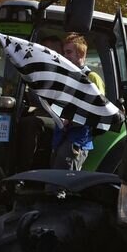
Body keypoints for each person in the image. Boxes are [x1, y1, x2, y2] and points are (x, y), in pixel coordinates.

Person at [51, 33, 104, 171]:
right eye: (64, 52)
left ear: (81, 53)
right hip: (61, 136)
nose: (65, 56)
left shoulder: (92, 78)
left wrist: (71, 118)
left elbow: (98, 110)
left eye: (69, 52)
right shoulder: (65, 77)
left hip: (77, 138)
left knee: (61, 183)